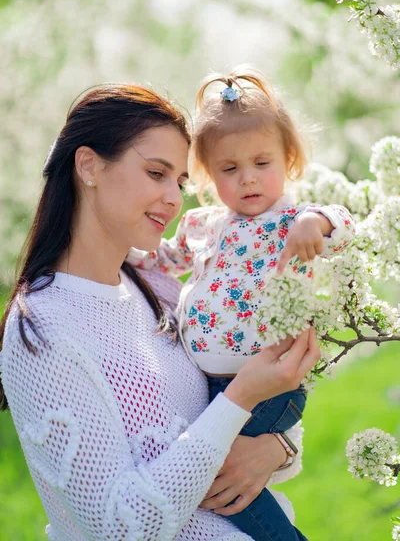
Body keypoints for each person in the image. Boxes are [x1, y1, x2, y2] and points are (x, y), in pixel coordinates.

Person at [0, 83, 321, 541]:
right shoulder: (44, 330)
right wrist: (241, 399)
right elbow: (117, 528)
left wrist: (279, 446)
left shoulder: (160, 287)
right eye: (156, 173)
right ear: (89, 165)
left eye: (181, 182)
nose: (175, 198)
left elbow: (236, 407)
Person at [128, 69, 356, 540]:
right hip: (216, 384)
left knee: (219, 477)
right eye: (229, 169)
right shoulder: (203, 223)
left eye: (261, 163)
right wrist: (126, 255)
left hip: (272, 385)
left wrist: (318, 220)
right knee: (221, 481)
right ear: (208, 175)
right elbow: (163, 260)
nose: (248, 179)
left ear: (289, 160)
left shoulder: (290, 221)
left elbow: (344, 223)